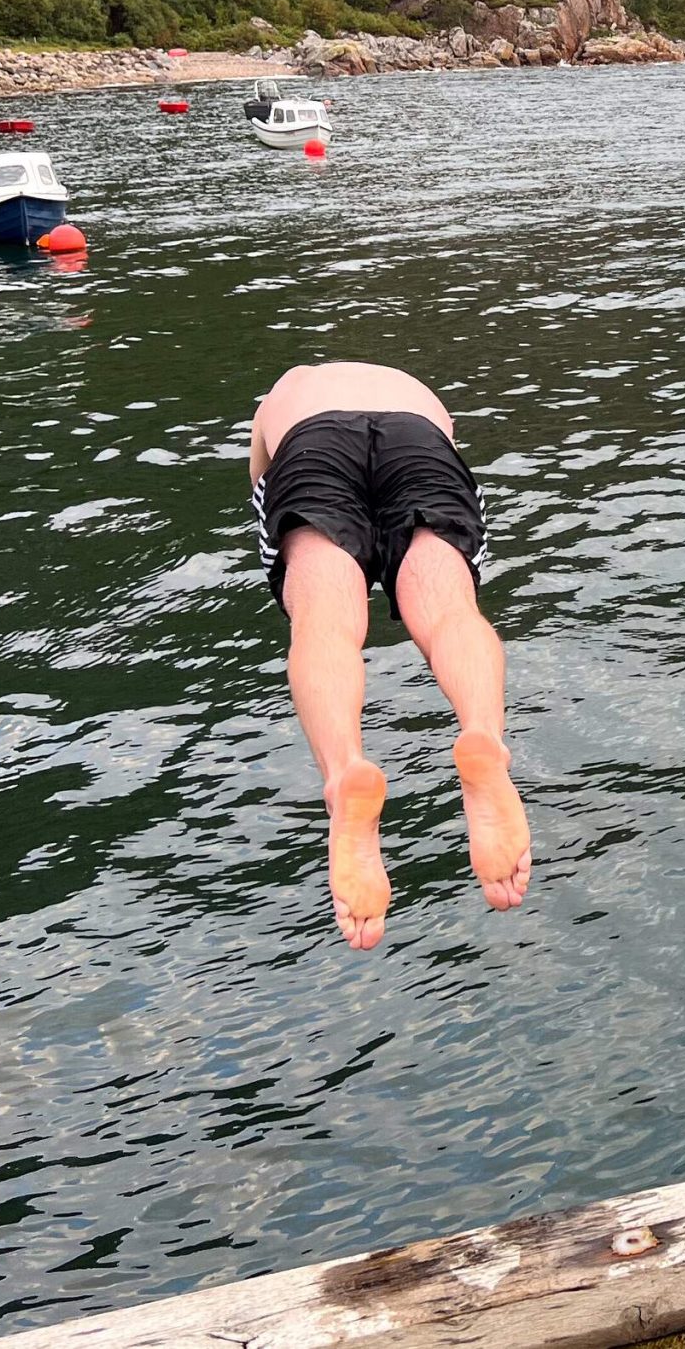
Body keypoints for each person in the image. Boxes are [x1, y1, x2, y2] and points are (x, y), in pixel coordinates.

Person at [250, 362, 531, 946]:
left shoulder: (284, 393)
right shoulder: (415, 388)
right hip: (419, 436)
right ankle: (483, 736)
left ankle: (344, 774)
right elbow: (448, 444)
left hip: (308, 443)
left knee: (324, 618)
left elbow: (261, 480)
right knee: (450, 607)